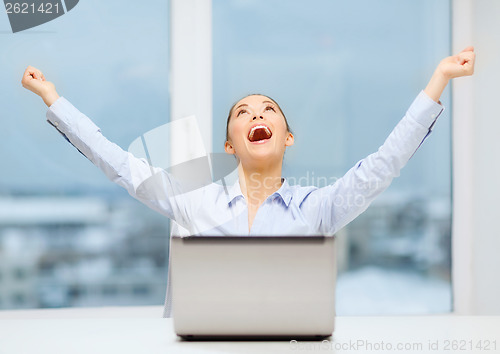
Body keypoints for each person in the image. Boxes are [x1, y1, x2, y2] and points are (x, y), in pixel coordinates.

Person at [21, 47, 475, 317]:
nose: (257, 114)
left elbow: (383, 164)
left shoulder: (318, 208)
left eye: (268, 110)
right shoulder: (192, 201)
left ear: (287, 137)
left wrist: (440, 79)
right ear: (231, 145)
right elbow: (120, 164)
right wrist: (52, 99)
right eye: (243, 112)